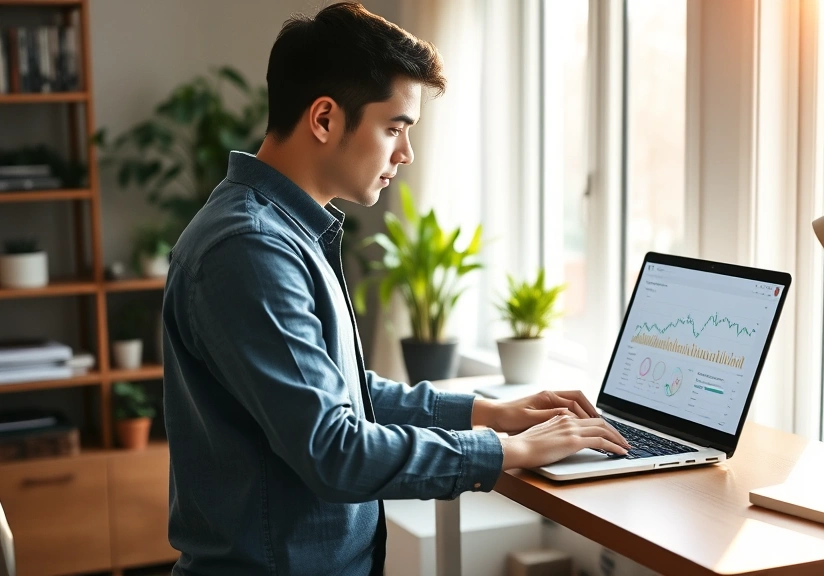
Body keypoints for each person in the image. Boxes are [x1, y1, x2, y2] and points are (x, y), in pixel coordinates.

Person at [161, 3, 630, 575]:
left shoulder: (284, 232)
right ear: (325, 119)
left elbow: (346, 395)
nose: (405, 155)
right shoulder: (250, 249)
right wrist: (510, 452)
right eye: (394, 129)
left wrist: (492, 413)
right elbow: (335, 450)